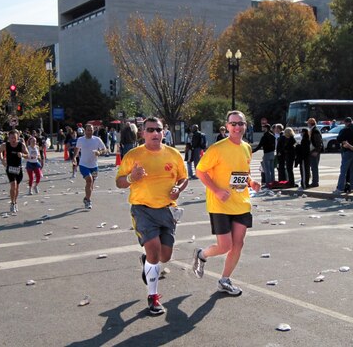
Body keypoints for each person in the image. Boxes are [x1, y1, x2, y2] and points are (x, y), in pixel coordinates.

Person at [115, 116, 188, 315]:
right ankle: (153, 297)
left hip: (167, 210)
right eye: (150, 130)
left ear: (164, 132)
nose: (155, 133)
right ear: (142, 133)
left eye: (158, 129)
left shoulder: (173, 154)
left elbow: (184, 178)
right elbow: (119, 181)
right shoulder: (133, 155)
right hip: (143, 209)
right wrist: (132, 177)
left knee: (165, 256)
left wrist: (178, 188)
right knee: (154, 251)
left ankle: (147, 260)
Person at [192, 110, 260, 296]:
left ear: (245, 126)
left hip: (241, 203)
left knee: (238, 244)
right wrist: (216, 190)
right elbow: (200, 171)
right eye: (233, 124)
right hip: (220, 204)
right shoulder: (217, 148)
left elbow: (243, 173)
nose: (237, 127)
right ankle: (201, 254)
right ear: (227, 126)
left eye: (241, 123)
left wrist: (251, 182)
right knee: (225, 246)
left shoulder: (246, 147)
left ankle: (224, 280)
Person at [73, 124, 107, 209]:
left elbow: (105, 149)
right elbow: (77, 149)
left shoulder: (97, 139)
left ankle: (86, 198)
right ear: (85, 131)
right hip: (83, 165)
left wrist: (99, 152)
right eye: (88, 130)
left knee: (91, 184)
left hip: (94, 166)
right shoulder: (80, 139)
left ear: (93, 131)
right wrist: (74, 158)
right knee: (89, 180)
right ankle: (88, 201)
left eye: (91, 130)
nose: (89, 132)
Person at [0, 130, 29, 213]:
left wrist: (22, 155)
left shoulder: (21, 145)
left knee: (17, 187)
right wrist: (2, 159)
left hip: (18, 168)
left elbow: (28, 155)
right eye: (11, 138)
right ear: (9, 138)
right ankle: (12, 203)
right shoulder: (5, 145)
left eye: (15, 138)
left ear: (17, 137)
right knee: (13, 185)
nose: (13, 140)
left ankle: (15, 202)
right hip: (10, 168)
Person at [334, 117, 353, 194]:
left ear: (346, 122)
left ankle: (340, 187)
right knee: (352, 170)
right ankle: (351, 187)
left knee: (343, 170)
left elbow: (339, 139)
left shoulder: (345, 130)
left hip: (346, 150)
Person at [307, 118, 323, 188]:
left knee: (314, 167)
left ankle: (315, 182)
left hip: (314, 151)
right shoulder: (314, 130)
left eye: (308, 123)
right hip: (314, 151)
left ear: (310, 124)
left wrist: (316, 151)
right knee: (313, 167)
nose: (307, 125)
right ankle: (315, 181)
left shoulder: (315, 131)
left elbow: (319, 142)